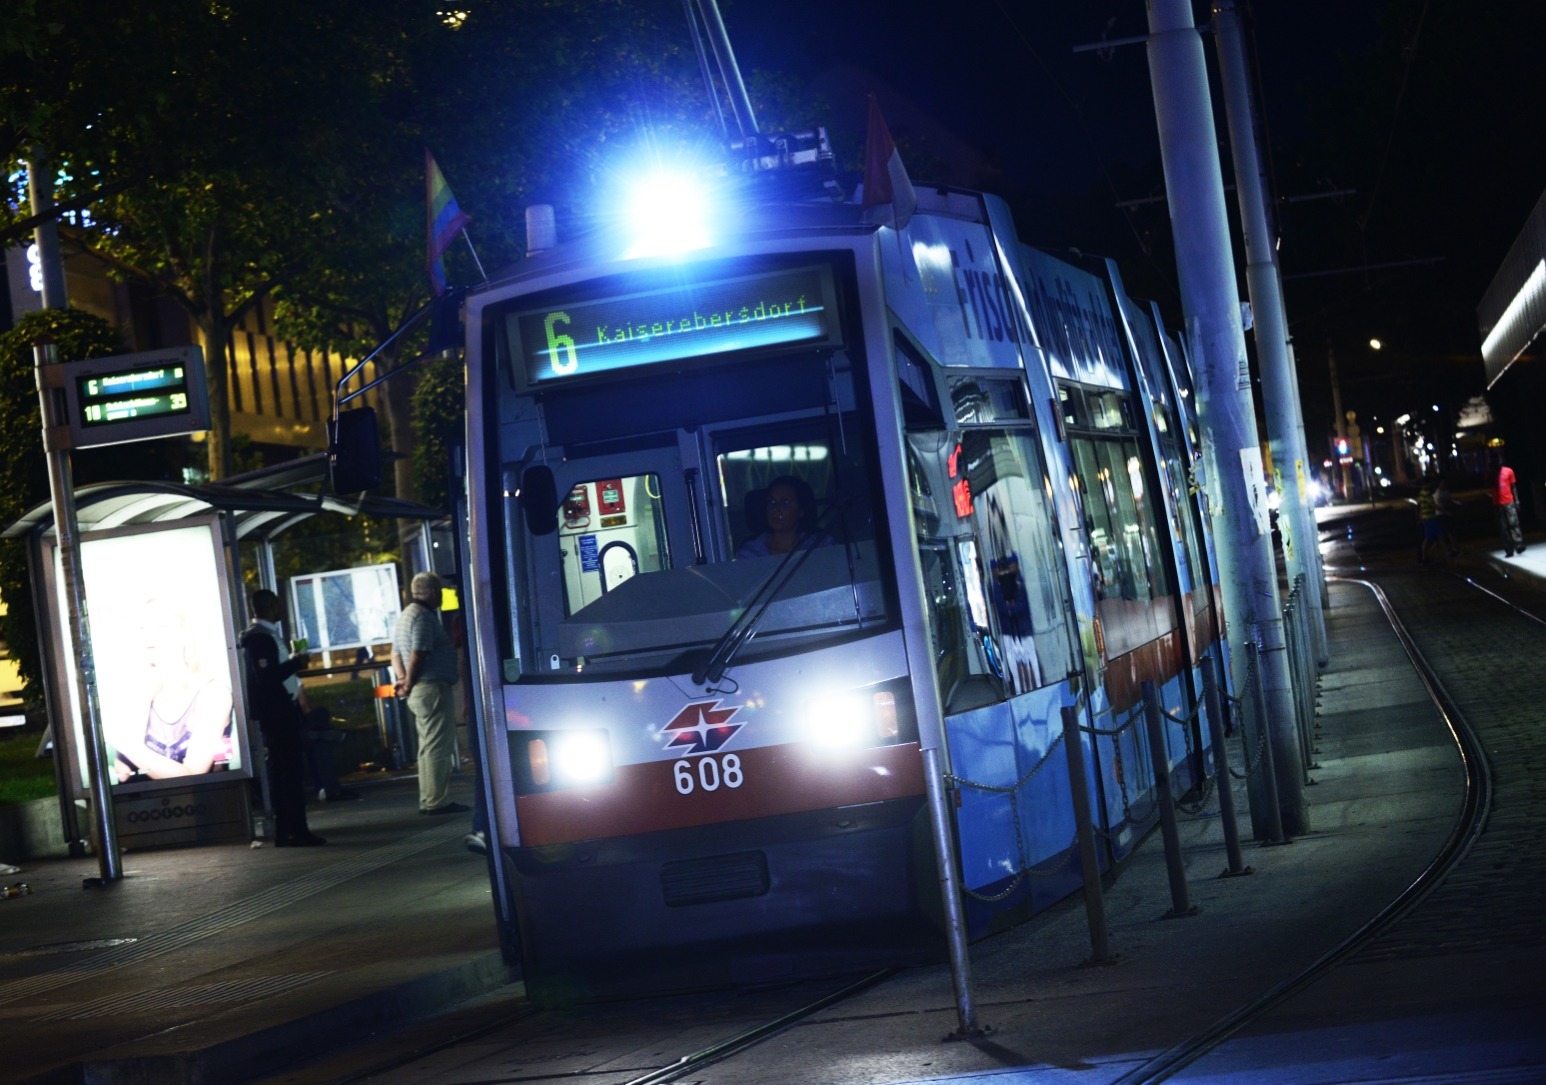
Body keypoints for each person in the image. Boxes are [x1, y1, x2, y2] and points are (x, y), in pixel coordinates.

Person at [111, 597, 234, 782]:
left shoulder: (214, 694)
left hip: (204, 806)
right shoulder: (140, 693)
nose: (148, 636)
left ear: (185, 635)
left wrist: (121, 740)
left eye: (160, 626)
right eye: (142, 628)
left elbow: (194, 775)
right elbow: (124, 775)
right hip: (144, 810)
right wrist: (141, 697)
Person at [241, 590, 325, 846]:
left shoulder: (259, 636)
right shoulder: (260, 637)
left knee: (282, 772)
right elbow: (267, 676)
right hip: (278, 712)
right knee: (290, 773)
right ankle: (295, 830)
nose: (280, 610)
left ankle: (286, 831)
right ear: (271, 607)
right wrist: (296, 663)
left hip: (275, 711)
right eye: (277, 605)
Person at [393, 572, 468, 816]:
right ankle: (437, 801)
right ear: (434, 592)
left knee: (426, 747)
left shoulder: (406, 615)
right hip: (431, 688)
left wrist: (403, 680)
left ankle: (428, 799)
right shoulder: (424, 617)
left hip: (419, 689)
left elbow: (395, 654)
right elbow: (419, 653)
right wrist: (409, 681)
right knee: (438, 747)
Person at [735, 476, 820, 559]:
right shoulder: (749, 554)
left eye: (786, 502)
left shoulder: (820, 545)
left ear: (802, 510)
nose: (775, 508)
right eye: (772, 501)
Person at [1491, 452, 1526, 557]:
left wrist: (1517, 501)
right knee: (1503, 527)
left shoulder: (1508, 471)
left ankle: (1519, 545)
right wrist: (1491, 471)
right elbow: (1487, 484)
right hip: (1497, 504)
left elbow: (1513, 487)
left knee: (1514, 523)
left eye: (1499, 459)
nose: (1499, 462)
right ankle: (1508, 549)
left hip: (1509, 501)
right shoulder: (1491, 473)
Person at [1416, 483, 1442, 565]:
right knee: (1430, 540)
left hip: (1426, 519)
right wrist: (1443, 510)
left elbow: (1418, 506)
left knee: (1430, 540)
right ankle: (1426, 557)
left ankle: (1426, 557)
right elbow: (1432, 505)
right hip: (1428, 519)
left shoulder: (1422, 493)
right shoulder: (1427, 494)